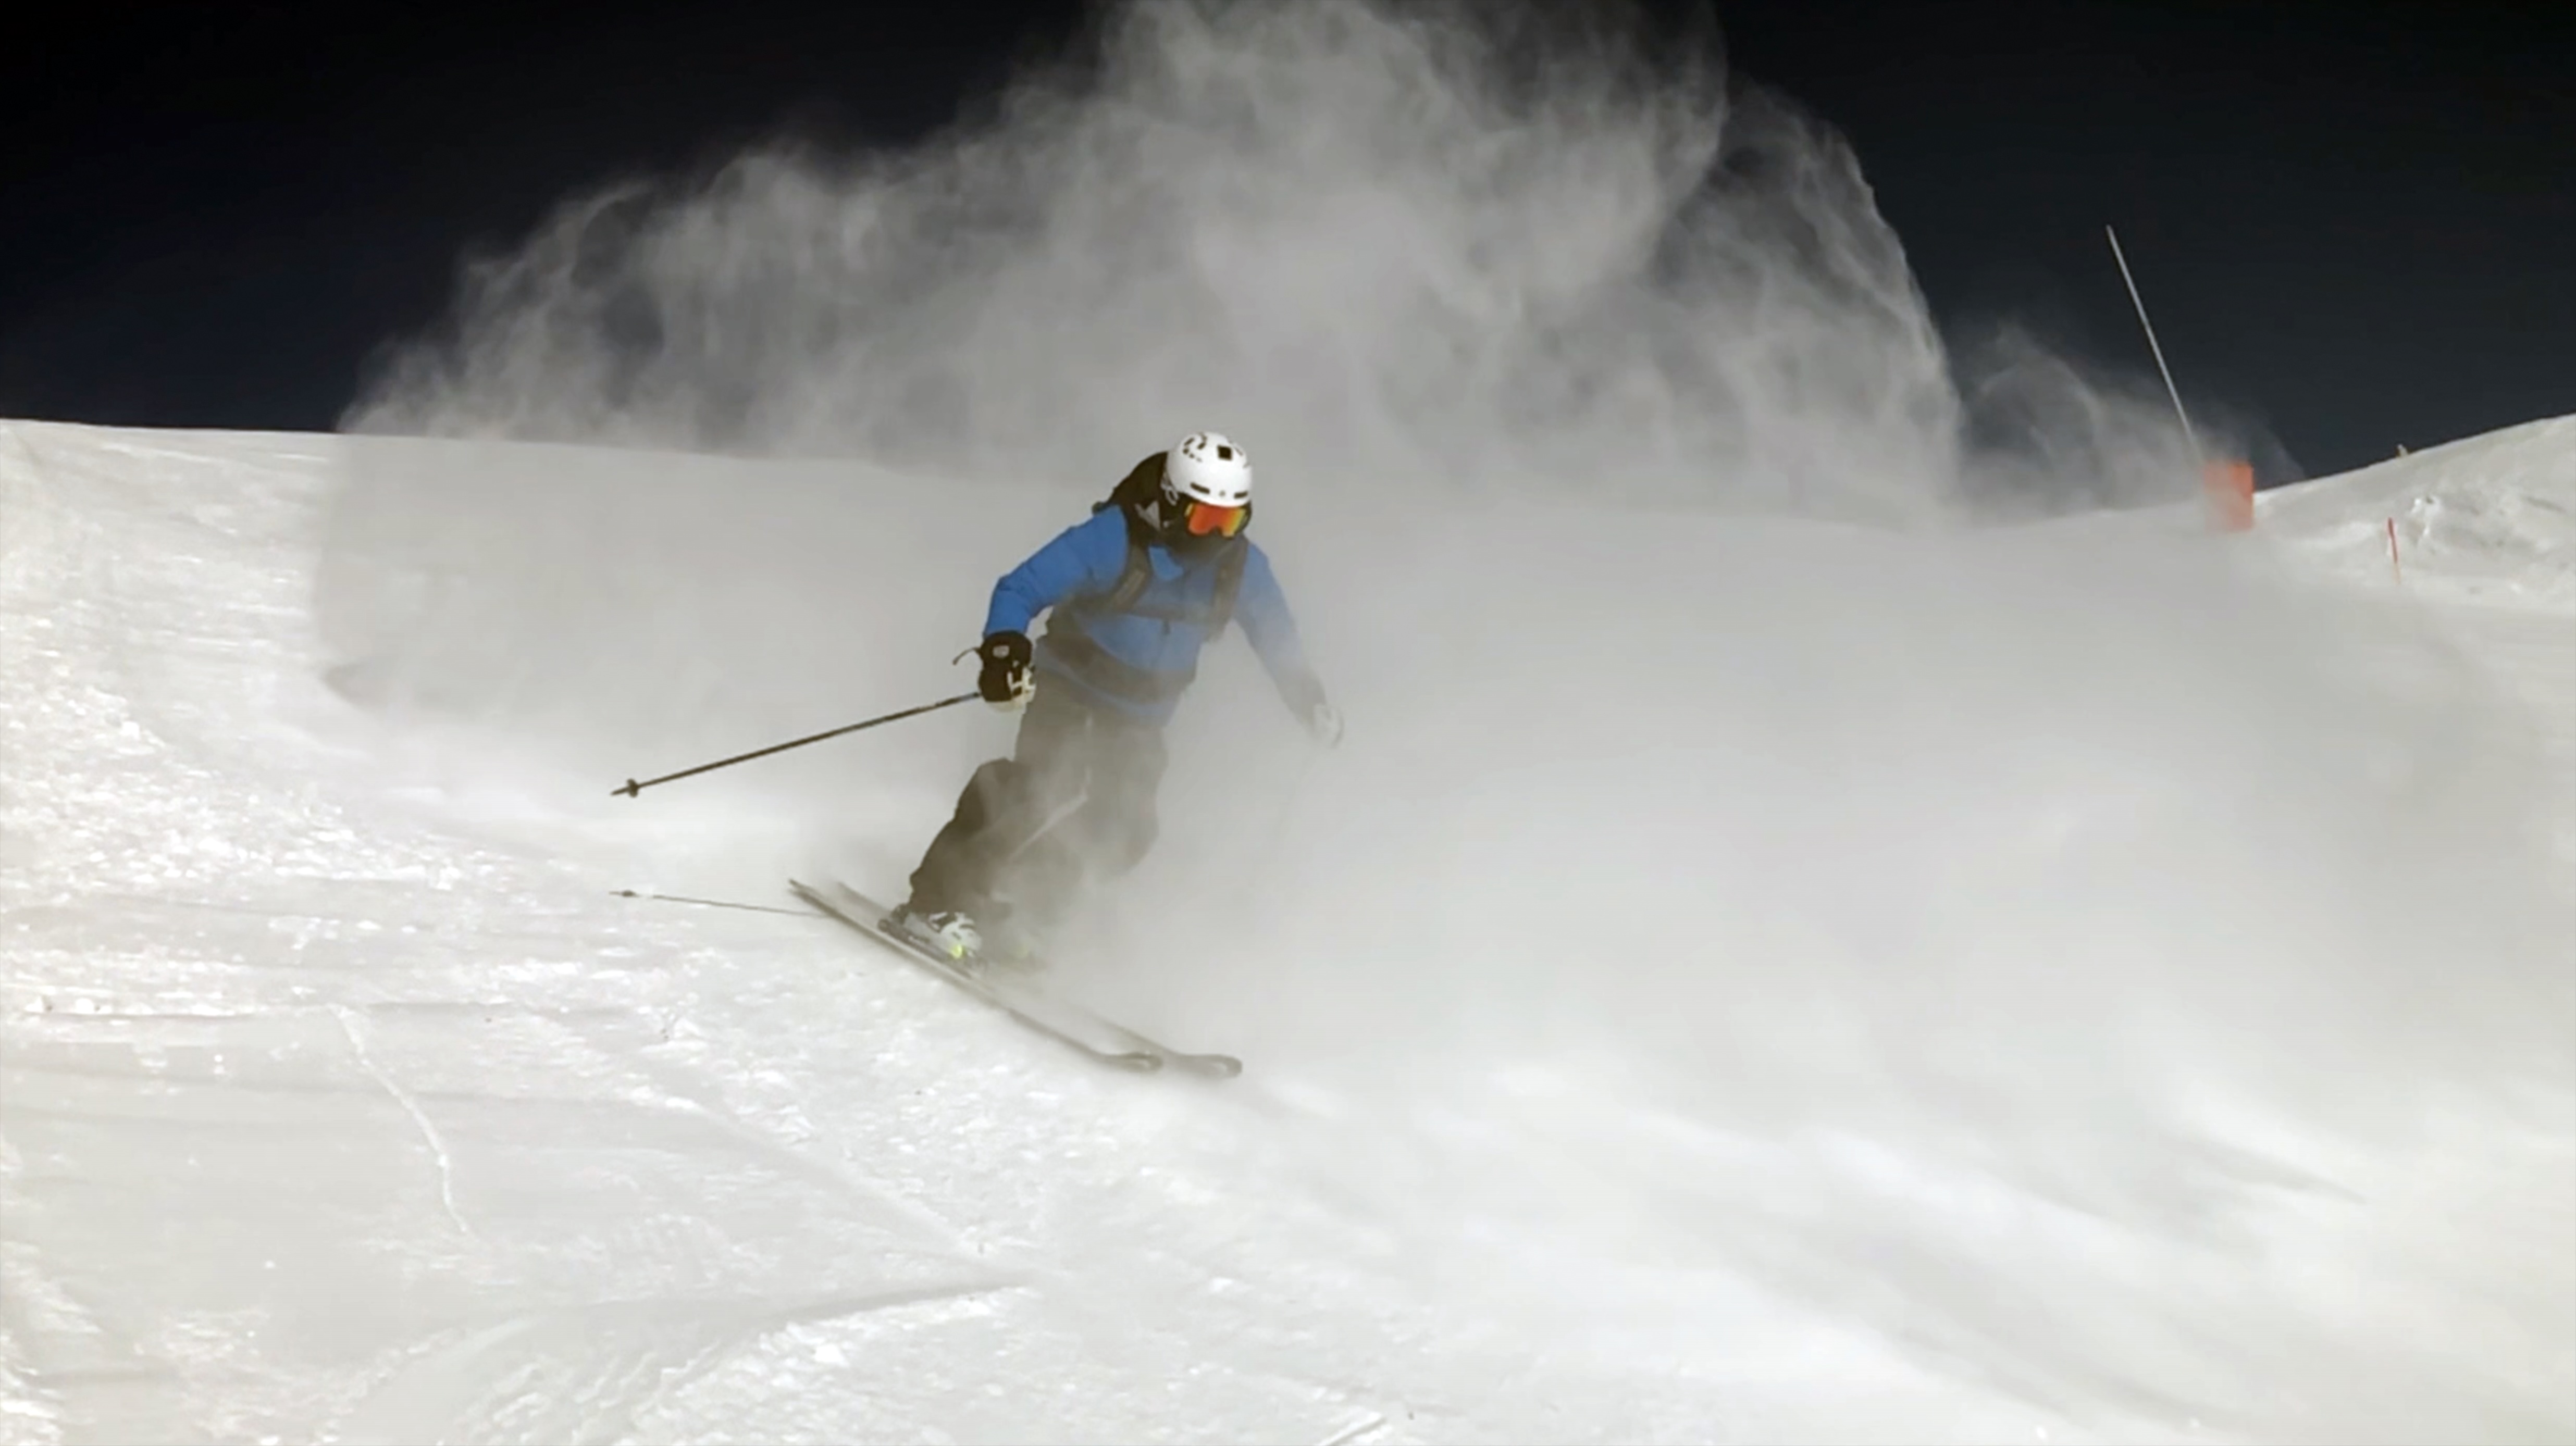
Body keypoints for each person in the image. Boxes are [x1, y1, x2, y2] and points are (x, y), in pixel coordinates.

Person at [895, 431, 1341, 963]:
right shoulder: (1115, 540)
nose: (1217, 538)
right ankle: (937, 902)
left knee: (1126, 827)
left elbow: (1276, 635)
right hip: (1073, 692)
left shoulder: (1237, 567)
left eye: (1231, 522)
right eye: (1205, 521)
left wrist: (1307, 698)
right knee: (1034, 788)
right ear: (1173, 504)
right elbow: (1020, 588)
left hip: (1143, 716)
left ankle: (1022, 911)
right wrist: (1004, 652)